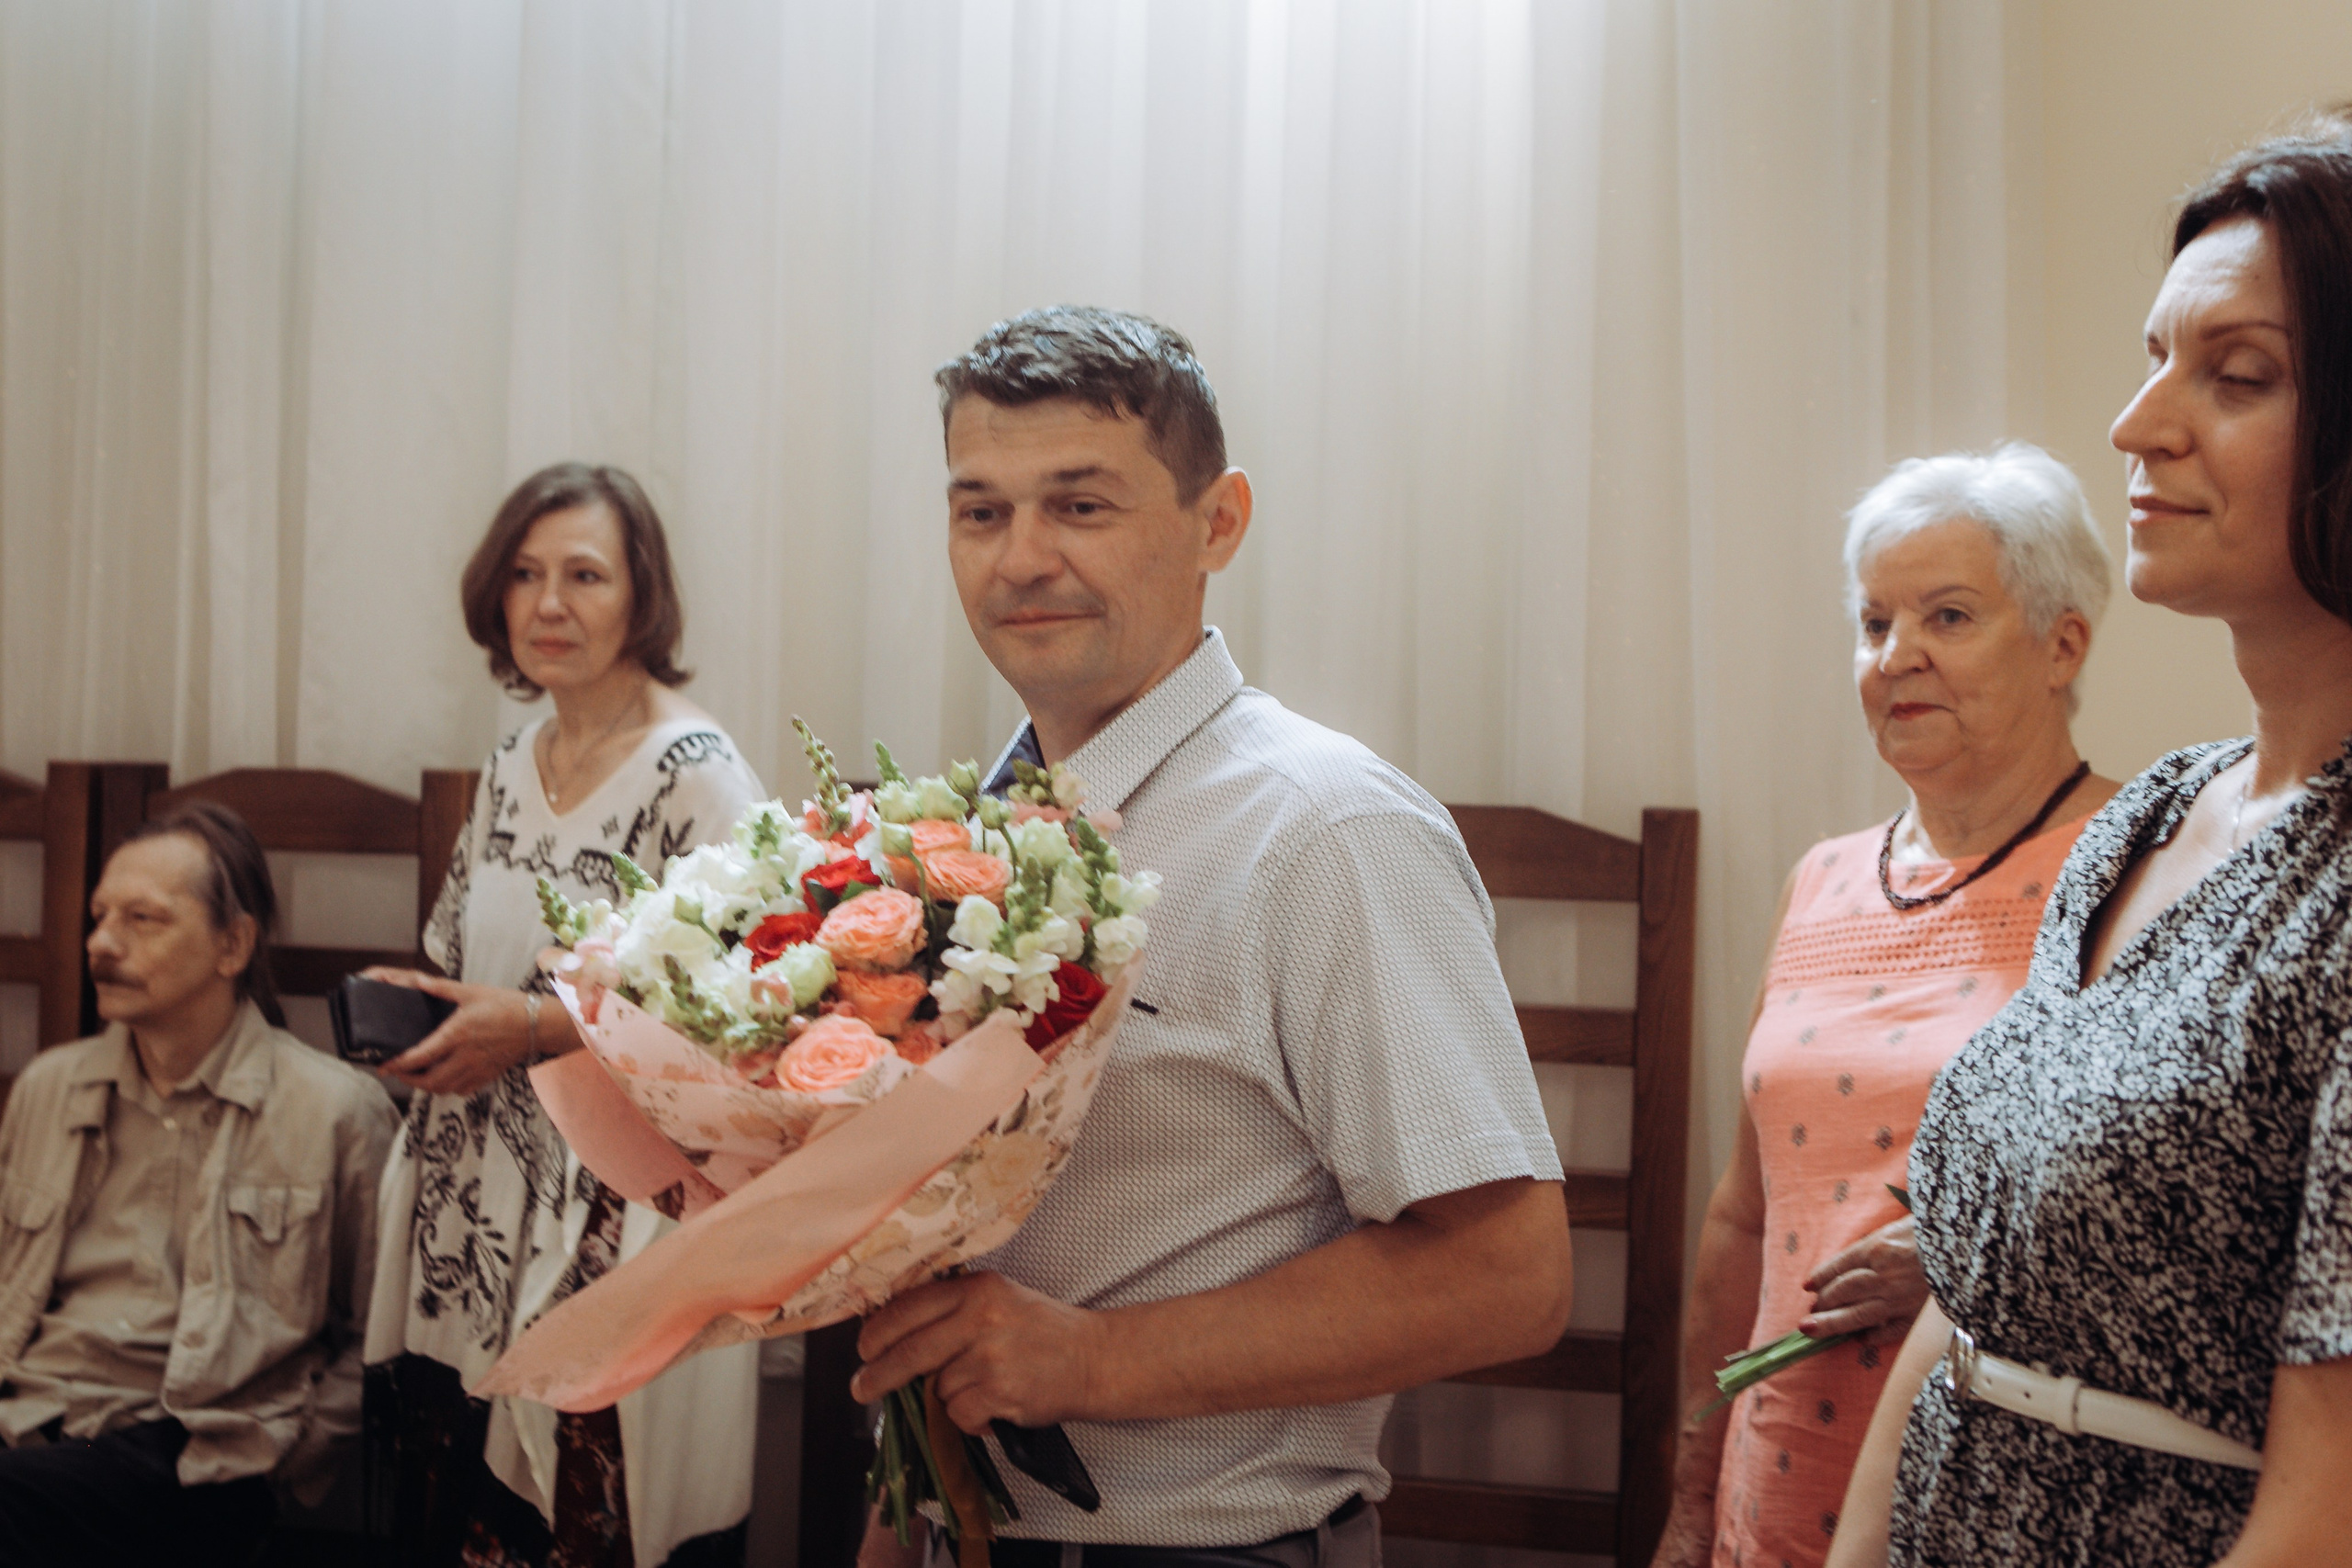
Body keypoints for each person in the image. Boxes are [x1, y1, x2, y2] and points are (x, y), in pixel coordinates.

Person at [851, 306, 1575, 1566]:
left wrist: (1089, 1359)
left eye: (1081, 505)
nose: (1021, 557)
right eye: (981, 510)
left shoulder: (1327, 830)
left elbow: (1510, 1272)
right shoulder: (965, 837)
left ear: (1217, 521)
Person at [1827, 126, 2352, 1567]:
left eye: (2236, 376)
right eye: (2155, 356)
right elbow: (1970, 1308)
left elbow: (2330, 1507)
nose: (2137, 424)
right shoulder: (2148, 816)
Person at [1650, 445, 2120, 1568]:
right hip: (1774, 1478)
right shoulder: (1819, 879)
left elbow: (2175, 1220)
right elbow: (1744, 1217)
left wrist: (1967, 1252)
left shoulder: (2134, 868)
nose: (1896, 656)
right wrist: (1689, 1492)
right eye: (1873, 625)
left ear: (2063, 643)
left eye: (1948, 618)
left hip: (1994, 1481)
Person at [363, 463, 765, 1568]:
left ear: (642, 598)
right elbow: (462, 950)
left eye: (584, 575)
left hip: (610, 1221)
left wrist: (534, 1030)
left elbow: (738, 1029)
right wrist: (432, 1009)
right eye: (526, 575)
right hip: (474, 1201)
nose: (549, 604)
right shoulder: (511, 763)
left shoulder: (700, 777)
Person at [0, 802, 395, 1568]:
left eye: (144, 919)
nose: (102, 943)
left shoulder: (333, 1111)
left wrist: (288, 1455)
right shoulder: (51, 1087)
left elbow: (377, 1342)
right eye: (99, 916)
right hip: (31, 1417)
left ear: (233, 943)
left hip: (195, 1452)